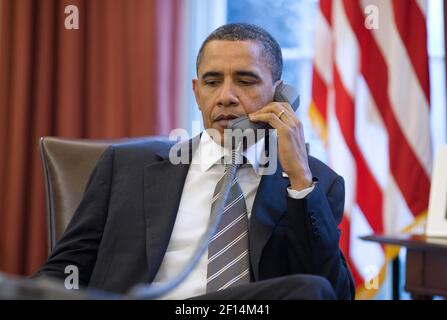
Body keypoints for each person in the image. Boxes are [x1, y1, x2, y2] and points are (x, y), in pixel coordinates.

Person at [36, 23, 355, 300]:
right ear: (197, 91)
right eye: (212, 81)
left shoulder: (315, 183)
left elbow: (331, 292)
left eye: (245, 81)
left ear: (280, 95)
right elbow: (64, 271)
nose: (226, 96)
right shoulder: (126, 165)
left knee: (310, 290)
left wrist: (299, 181)